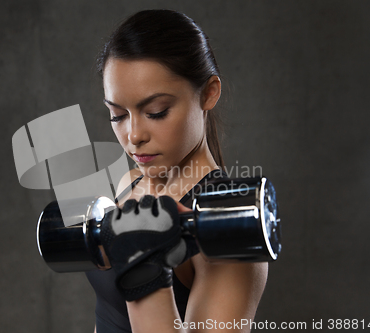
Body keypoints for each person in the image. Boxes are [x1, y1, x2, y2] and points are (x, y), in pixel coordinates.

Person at [85, 9, 268, 332]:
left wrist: (147, 277)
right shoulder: (131, 184)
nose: (134, 135)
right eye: (117, 115)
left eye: (156, 111)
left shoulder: (229, 230)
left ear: (209, 93)